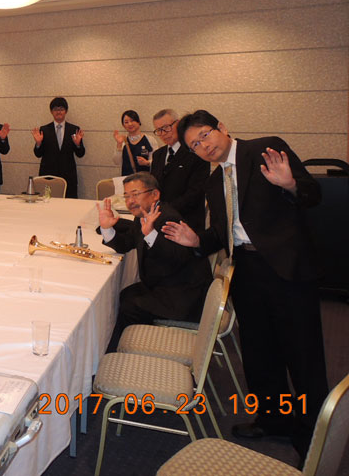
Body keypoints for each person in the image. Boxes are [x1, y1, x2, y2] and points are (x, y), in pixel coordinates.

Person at [162, 110, 327, 458]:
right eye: (194, 145)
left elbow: (314, 195)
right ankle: (273, 420)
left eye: (205, 135)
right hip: (247, 271)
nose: (203, 145)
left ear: (222, 128)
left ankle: (313, 442)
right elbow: (225, 232)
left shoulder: (265, 150)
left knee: (303, 356)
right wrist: (198, 241)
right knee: (259, 354)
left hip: (287, 269)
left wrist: (290, 184)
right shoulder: (213, 183)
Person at [97, 172, 211, 352]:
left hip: (184, 295)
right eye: (126, 196)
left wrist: (151, 234)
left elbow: (175, 258)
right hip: (168, 283)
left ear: (155, 194)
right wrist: (107, 228)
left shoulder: (167, 218)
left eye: (135, 194)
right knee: (125, 294)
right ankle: (131, 343)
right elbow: (126, 243)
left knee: (129, 306)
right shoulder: (145, 214)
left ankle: (125, 351)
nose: (130, 201)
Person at [148, 109, 209, 233]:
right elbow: (153, 186)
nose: (163, 133)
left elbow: (195, 192)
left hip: (187, 222)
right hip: (160, 223)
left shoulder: (196, 151)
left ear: (178, 124)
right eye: (158, 130)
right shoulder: (158, 155)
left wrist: (165, 211)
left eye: (166, 127)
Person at [31, 97, 85, 198]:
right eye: (55, 109)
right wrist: (38, 143)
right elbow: (38, 154)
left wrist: (77, 144)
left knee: (69, 205)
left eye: (61, 109)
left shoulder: (74, 129)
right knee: (47, 204)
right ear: (51, 111)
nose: (58, 112)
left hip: (68, 176)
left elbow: (80, 154)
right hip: (48, 176)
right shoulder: (44, 130)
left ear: (66, 111)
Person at [112, 109, 157, 176]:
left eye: (132, 120)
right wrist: (119, 144)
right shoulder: (122, 141)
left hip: (145, 179)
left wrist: (147, 163)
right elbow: (116, 162)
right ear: (123, 125)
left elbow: (157, 161)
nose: (130, 124)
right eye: (126, 122)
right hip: (126, 179)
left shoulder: (150, 140)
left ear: (138, 122)